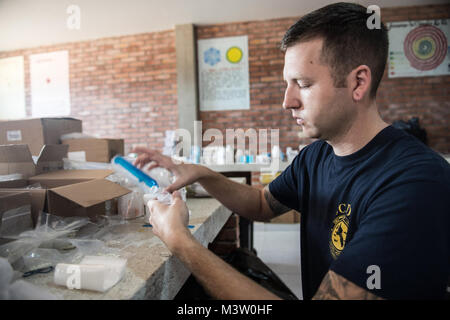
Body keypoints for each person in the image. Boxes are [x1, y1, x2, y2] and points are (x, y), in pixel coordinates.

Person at [132, 2, 450, 300]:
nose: (287, 101)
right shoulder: (315, 157)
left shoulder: (416, 183)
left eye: (303, 84)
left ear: (358, 82)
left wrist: (181, 242)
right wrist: (201, 173)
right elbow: (260, 204)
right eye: (288, 84)